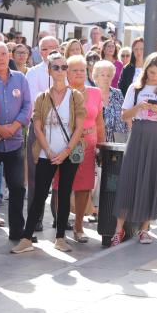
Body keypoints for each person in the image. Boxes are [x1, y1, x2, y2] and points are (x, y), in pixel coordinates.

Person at [11, 52, 85, 254]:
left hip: (68, 154)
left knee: (63, 193)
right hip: (46, 153)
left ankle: (60, 238)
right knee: (39, 195)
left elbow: (79, 127)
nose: (60, 71)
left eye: (63, 67)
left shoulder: (75, 96)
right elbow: (37, 127)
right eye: (56, 67)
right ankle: (27, 238)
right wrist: (50, 151)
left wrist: (66, 151)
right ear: (49, 70)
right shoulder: (42, 97)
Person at [112, 53, 157, 245]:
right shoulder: (135, 88)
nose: (155, 76)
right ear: (146, 70)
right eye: (152, 72)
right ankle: (119, 230)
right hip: (138, 134)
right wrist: (139, 107)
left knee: (153, 178)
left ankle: (144, 229)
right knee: (129, 178)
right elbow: (124, 115)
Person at [0, 41, 31, 240]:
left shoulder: (19, 78)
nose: (2, 58)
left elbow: (28, 105)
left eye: (4, 54)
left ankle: (17, 231)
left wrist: (14, 126)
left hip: (15, 142)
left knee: (18, 187)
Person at [65, 54, 104, 241]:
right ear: (67, 72)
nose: (79, 73)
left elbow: (100, 123)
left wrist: (101, 147)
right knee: (61, 187)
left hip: (88, 146)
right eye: (75, 70)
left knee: (84, 187)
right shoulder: (60, 92)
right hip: (64, 145)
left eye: (82, 69)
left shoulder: (95, 92)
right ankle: (60, 225)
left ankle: (78, 226)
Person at [25, 35, 61, 231]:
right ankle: (35, 218)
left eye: (54, 47)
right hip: (39, 128)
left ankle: (60, 217)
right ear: (40, 52)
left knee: (60, 178)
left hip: (61, 131)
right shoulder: (33, 73)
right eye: (46, 49)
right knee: (35, 177)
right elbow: (34, 102)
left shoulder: (65, 70)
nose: (50, 52)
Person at [95, 60, 128, 143]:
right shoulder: (91, 93)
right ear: (96, 77)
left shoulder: (118, 93)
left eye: (109, 75)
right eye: (102, 75)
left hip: (118, 139)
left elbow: (125, 114)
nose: (106, 78)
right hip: (98, 139)